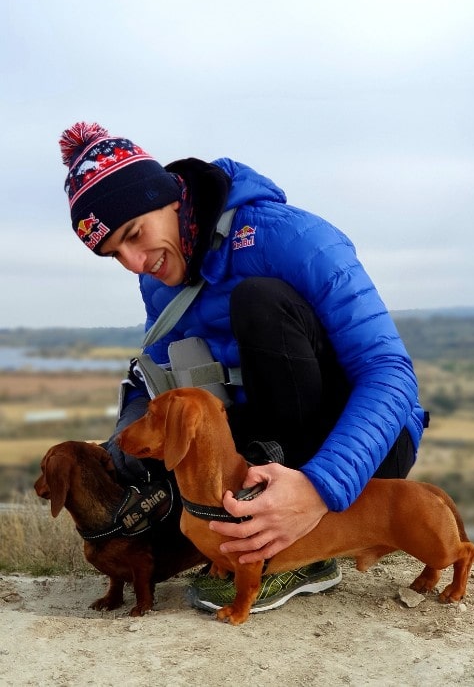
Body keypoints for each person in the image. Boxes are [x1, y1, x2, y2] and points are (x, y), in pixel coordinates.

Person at [59, 122, 428, 613]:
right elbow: (162, 377)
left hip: (364, 447)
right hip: (259, 443)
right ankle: (249, 529)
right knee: (151, 475)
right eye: (114, 255)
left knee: (260, 301)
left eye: (134, 235)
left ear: (169, 198)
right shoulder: (159, 279)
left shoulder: (292, 238)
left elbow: (390, 373)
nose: (133, 262)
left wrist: (319, 487)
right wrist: (124, 444)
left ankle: (302, 548)